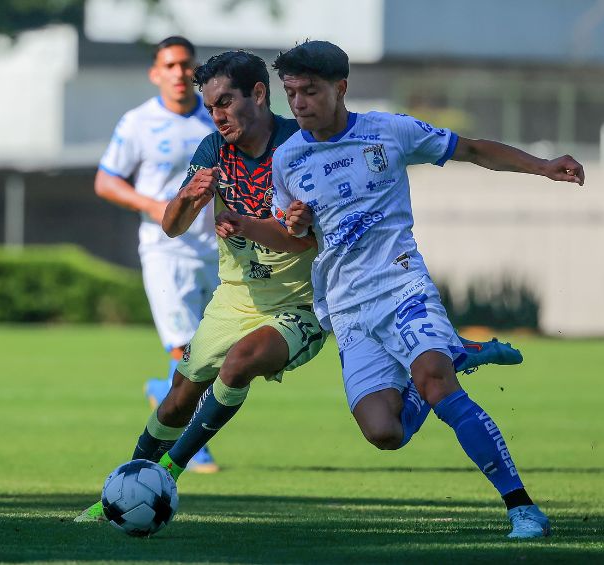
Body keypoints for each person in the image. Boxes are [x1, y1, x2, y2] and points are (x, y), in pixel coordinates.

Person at [76, 50, 521, 523]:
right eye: (210, 107)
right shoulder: (212, 150)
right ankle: (121, 490)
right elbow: (171, 227)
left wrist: (296, 223)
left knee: (240, 362)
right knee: (178, 396)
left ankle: (169, 471)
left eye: (225, 101)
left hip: (303, 304)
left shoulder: (301, 143)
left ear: (260, 94)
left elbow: (313, 232)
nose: (217, 115)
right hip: (238, 296)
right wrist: (186, 198)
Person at [227, 40, 586, 539]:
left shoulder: (389, 131)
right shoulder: (288, 159)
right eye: (291, 93)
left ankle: (522, 508)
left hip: (401, 284)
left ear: (341, 88)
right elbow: (294, 237)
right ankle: (453, 355)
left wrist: (542, 166)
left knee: (437, 383)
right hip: (347, 308)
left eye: (310, 91)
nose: (300, 103)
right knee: (384, 433)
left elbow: (475, 150)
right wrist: (255, 224)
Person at [93, 36, 218, 473]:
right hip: (166, 252)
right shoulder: (138, 122)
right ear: (155, 73)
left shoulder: (217, 119)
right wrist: (155, 206)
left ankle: (159, 389)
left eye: (186, 65)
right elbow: (106, 181)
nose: (179, 73)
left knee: (217, 352)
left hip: (218, 251)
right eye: (170, 65)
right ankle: (191, 442)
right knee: (186, 352)